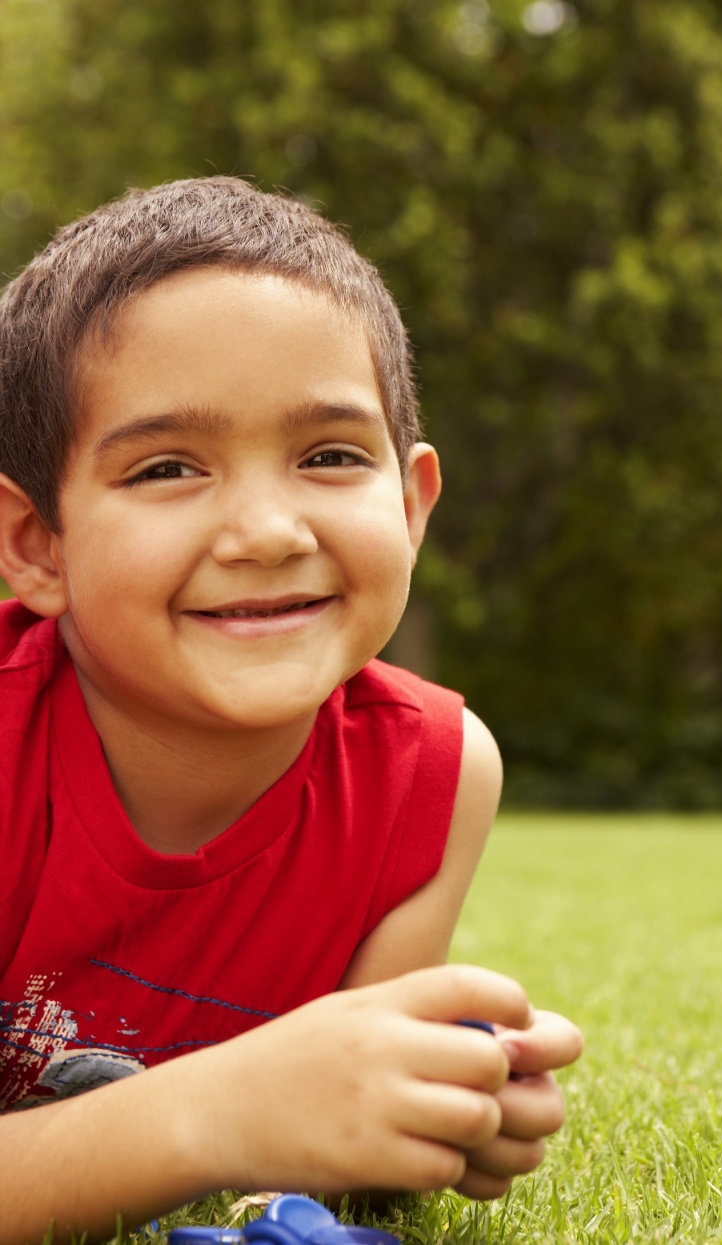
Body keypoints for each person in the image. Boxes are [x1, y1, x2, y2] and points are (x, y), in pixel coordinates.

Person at [0, 177, 582, 1243]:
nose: (267, 530)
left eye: (327, 456)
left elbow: (336, 1166)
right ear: (36, 544)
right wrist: (214, 1113)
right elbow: (247, 1123)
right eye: (167, 467)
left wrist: (441, 1101)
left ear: (409, 507)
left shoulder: (435, 775)